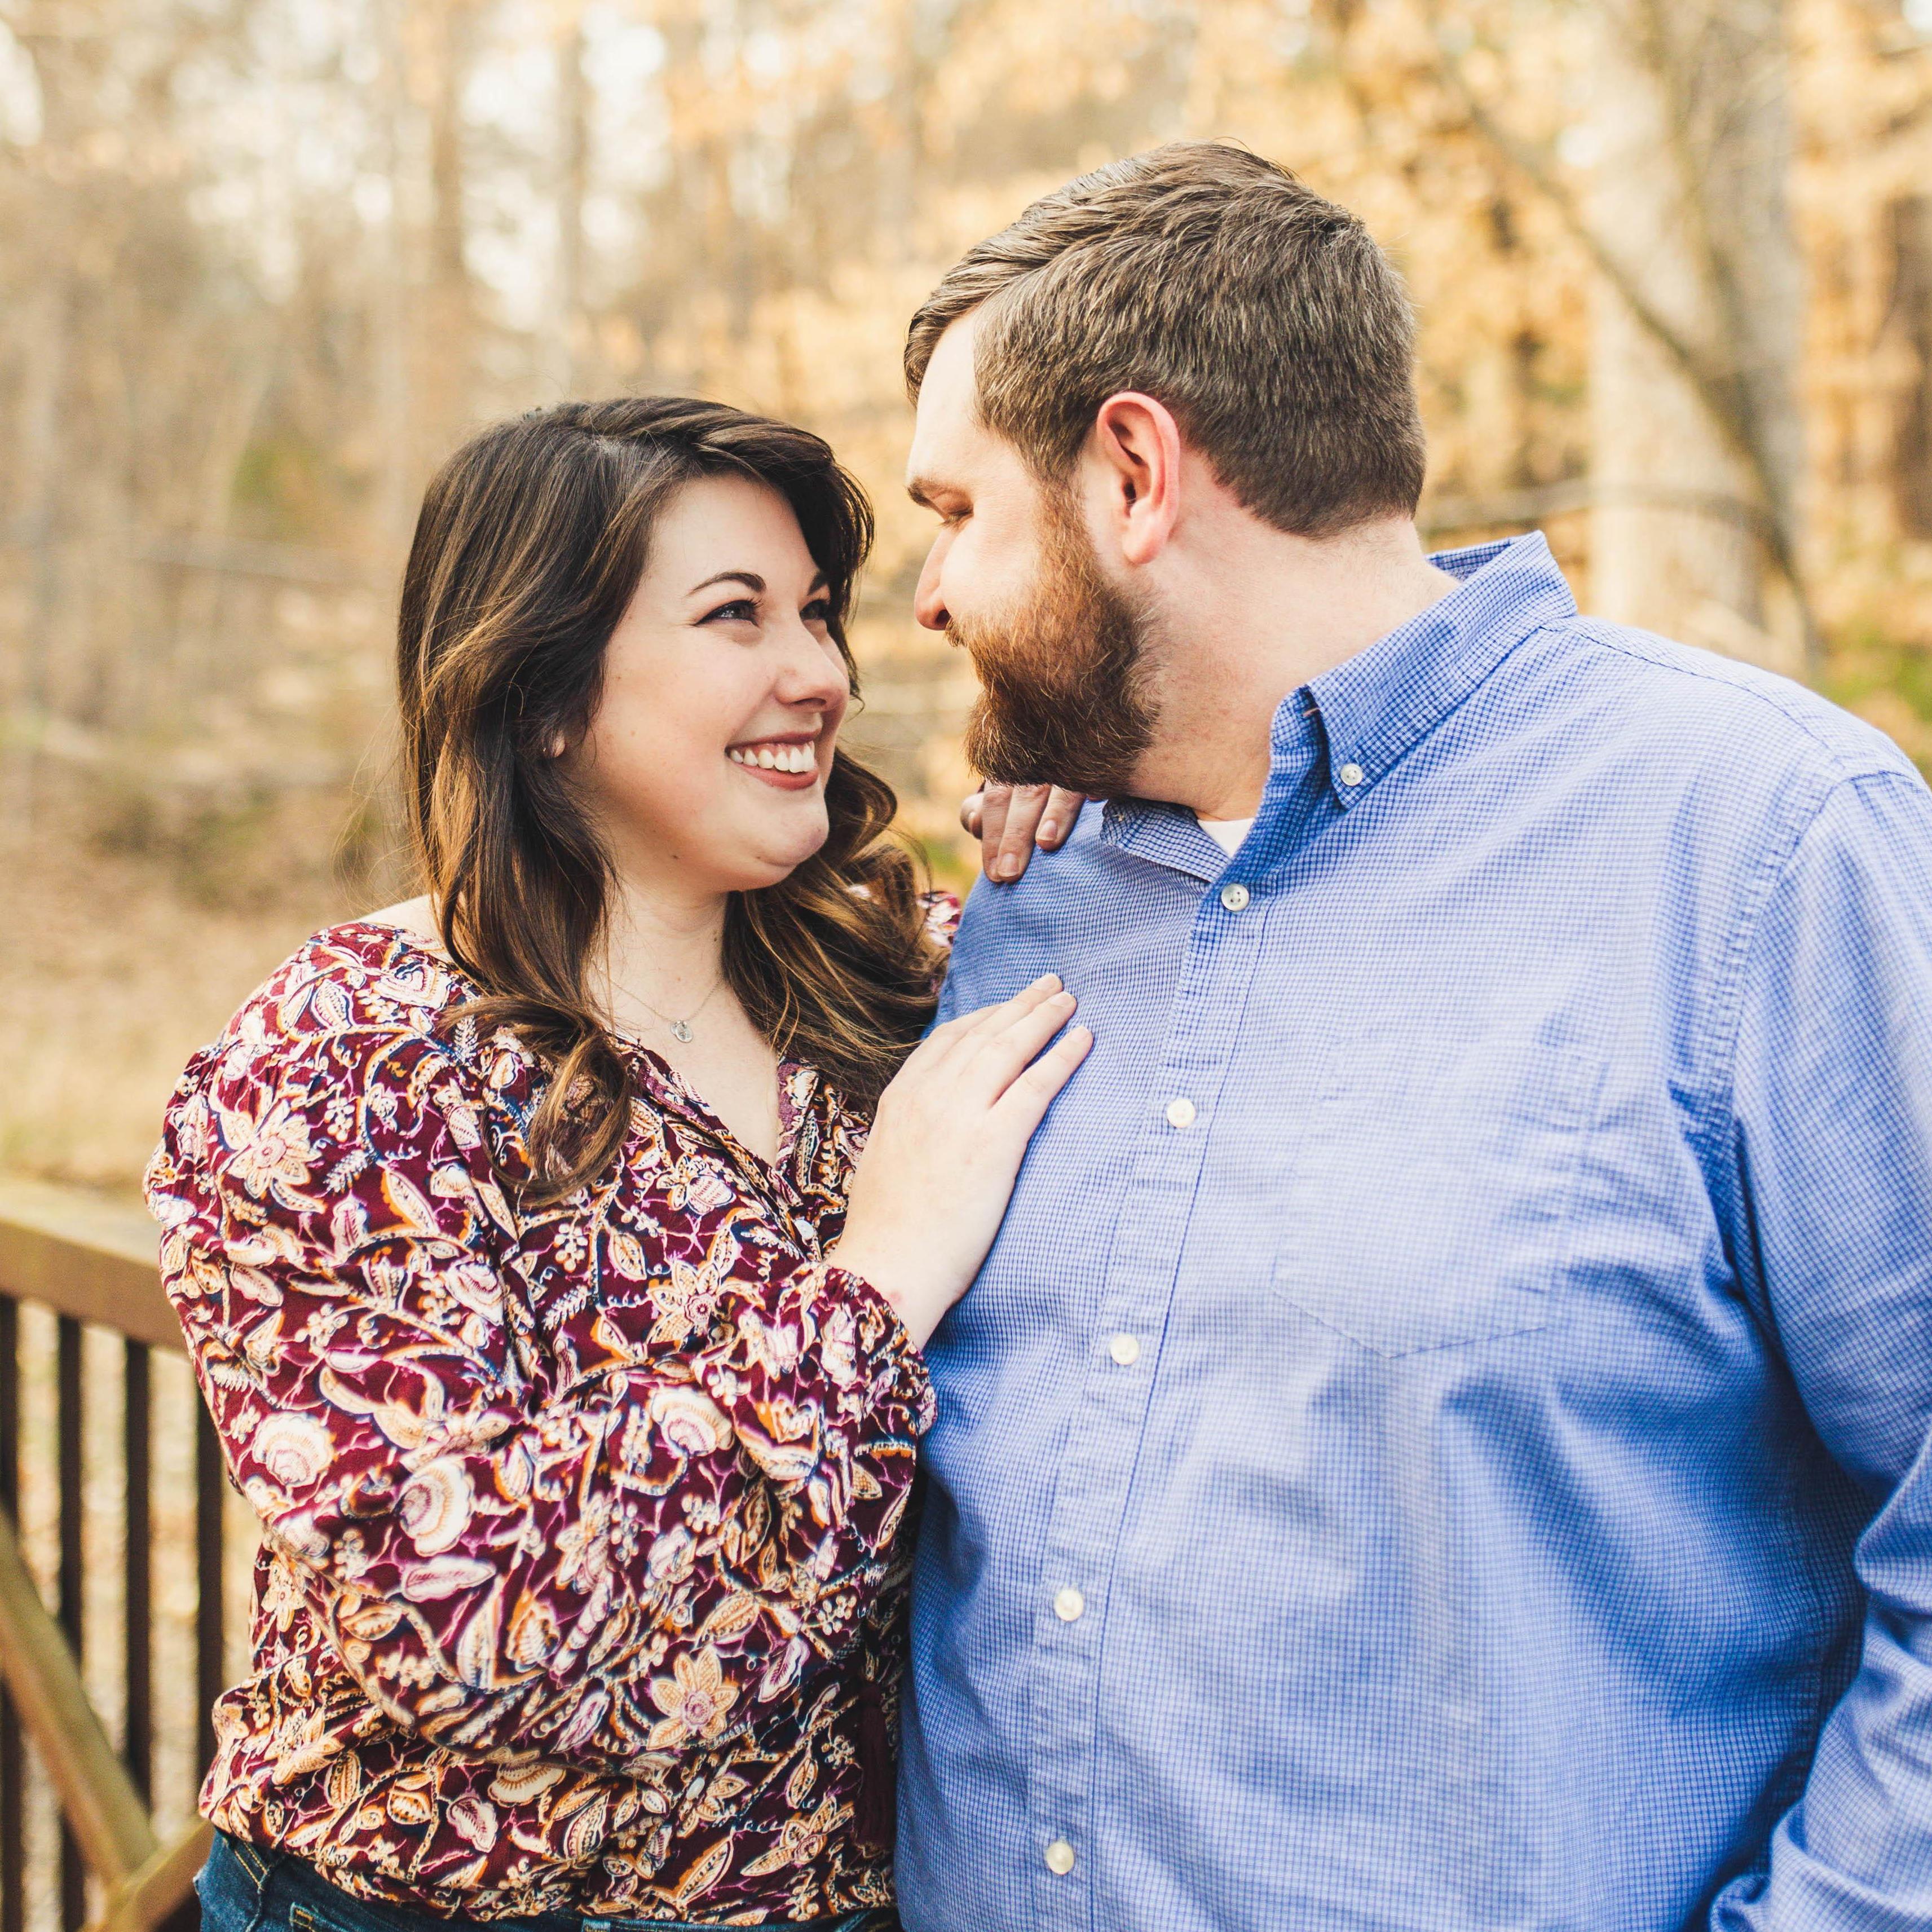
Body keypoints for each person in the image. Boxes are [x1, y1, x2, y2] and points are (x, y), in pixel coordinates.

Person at [894, 142, 1932, 1932]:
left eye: (955, 513)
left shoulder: (1760, 841)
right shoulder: (1013, 901)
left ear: (1133, 474)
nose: (924, 598)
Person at [143, 396, 1091, 1932]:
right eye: (735, 617)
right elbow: (464, 1623)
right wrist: (871, 1288)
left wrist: (1092, 818)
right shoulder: (344, 1066)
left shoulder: (896, 985)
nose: (821, 675)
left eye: (816, 612)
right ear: (541, 696)